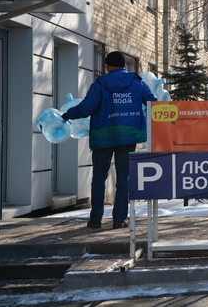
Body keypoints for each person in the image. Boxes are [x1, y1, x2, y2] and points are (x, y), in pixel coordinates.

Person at [62, 51, 157, 229]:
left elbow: (85, 108)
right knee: (124, 179)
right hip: (127, 136)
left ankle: (96, 219)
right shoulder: (138, 83)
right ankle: (119, 219)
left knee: (99, 178)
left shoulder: (100, 84)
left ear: (109, 66)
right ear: (123, 66)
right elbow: (154, 104)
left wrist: (68, 114)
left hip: (102, 137)